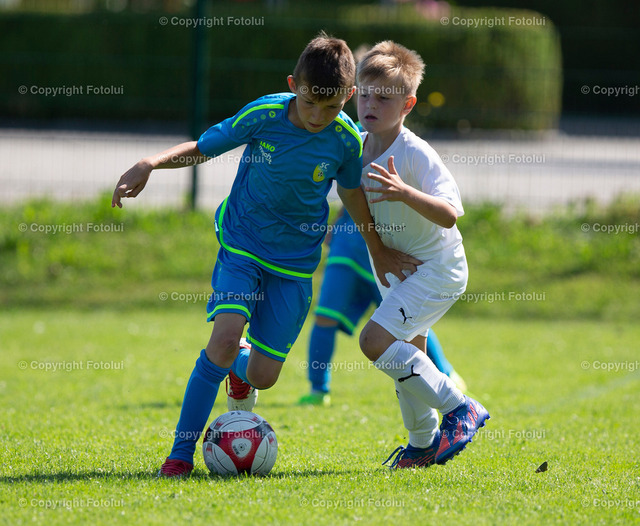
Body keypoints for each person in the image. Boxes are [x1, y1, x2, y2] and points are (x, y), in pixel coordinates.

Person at [111, 33, 421, 478]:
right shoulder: (265, 114)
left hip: (294, 266)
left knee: (263, 376)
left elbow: (352, 196)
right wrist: (151, 163)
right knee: (221, 342)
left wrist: (379, 249)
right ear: (294, 85)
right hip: (243, 245)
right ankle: (180, 454)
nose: (317, 116)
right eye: (310, 103)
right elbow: (204, 148)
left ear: (349, 97)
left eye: (331, 107)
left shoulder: (345, 140)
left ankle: (241, 368)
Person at [355, 41, 489, 469]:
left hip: (438, 269)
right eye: (364, 94)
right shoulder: (355, 144)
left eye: (384, 98)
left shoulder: (415, 152)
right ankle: (422, 444)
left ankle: (460, 407)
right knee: (406, 354)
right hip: (399, 271)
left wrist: (404, 192)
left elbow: (450, 215)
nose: (370, 104)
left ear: (408, 104)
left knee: (375, 342)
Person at [299, 207, 467, 406]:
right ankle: (318, 388)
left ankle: (445, 373)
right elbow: (351, 191)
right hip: (347, 245)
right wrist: (337, 222)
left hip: (388, 249)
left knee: (408, 320)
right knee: (325, 316)